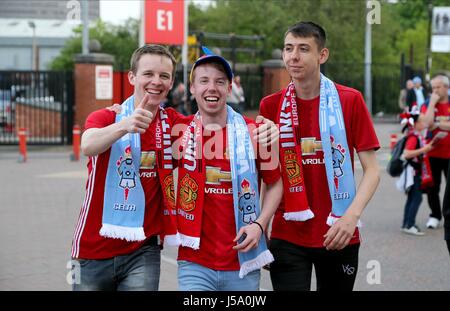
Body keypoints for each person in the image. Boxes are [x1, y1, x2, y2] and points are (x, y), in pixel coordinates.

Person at [259, 21, 380, 291]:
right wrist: (261, 223)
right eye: (289, 49)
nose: (294, 56)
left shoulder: (350, 100)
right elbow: (267, 174)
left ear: (322, 55)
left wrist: (351, 217)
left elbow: (372, 170)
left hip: (338, 230)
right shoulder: (270, 105)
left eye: (304, 49)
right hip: (286, 233)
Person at [70, 44, 181, 291]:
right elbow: (87, 145)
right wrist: (125, 125)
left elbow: (213, 128)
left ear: (171, 82)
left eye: (164, 76)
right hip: (91, 251)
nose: (156, 81)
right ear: (132, 77)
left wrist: (259, 127)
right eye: (148, 74)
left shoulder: (172, 123)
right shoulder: (106, 117)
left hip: (143, 252)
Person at [174, 47, 283, 291]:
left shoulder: (255, 131)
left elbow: (276, 183)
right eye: (204, 81)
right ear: (192, 88)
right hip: (194, 263)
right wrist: (117, 113)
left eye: (219, 82)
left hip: (243, 261)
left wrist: (260, 224)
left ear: (229, 87)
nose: (211, 88)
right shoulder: (178, 130)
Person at [419, 75, 450, 229]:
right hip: (432, 153)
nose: (435, 90)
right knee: (433, 187)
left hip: (449, 154)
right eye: (433, 88)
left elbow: (434, 124)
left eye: (438, 87)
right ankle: (435, 215)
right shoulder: (428, 103)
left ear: (446, 87)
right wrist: (432, 103)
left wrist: (438, 124)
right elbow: (427, 124)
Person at [398, 111, 434, 236]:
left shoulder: (417, 135)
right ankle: (409, 224)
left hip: (414, 171)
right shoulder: (413, 137)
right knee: (416, 198)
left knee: (412, 198)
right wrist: (425, 149)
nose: (425, 123)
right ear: (416, 124)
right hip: (413, 172)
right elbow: (407, 153)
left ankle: (406, 224)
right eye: (422, 121)